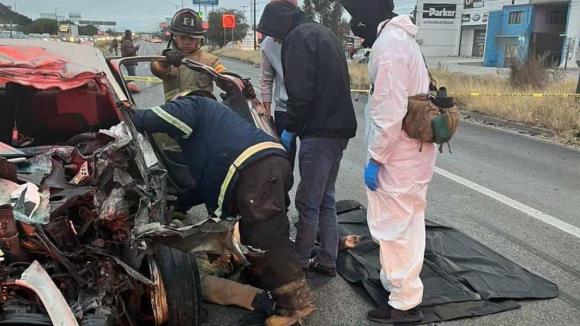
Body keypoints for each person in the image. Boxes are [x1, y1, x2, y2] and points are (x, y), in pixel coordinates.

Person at [125, 94, 315, 325]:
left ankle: (294, 308)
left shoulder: (192, 105)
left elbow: (159, 118)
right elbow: (199, 187)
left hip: (255, 170)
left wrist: (131, 116)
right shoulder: (211, 132)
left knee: (269, 239)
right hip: (269, 165)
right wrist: (179, 206)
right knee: (258, 234)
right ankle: (270, 284)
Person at [342, 0, 437, 324]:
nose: (355, 25)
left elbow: (389, 112)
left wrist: (377, 159)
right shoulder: (400, 39)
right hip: (412, 153)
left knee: (395, 227)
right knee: (407, 223)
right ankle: (399, 285)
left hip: (399, 156)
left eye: (356, 17)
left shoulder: (389, 46)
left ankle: (404, 304)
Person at [258, 1, 357, 277]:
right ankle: (327, 258)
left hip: (319, 131)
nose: (274, 39)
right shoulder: (322, 32)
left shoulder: (297, 39)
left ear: (281, 24)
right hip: (339, 129)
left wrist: (290, 128)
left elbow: (299, 94)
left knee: (307, 201)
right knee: (326, 197)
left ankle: (299, 259)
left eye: (273, 32)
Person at [151, 8, 228, 102]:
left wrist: (237, 84)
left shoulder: (210, 60)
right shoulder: (165, 58)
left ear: (199, 39)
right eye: (182, 38)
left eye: (191, 38)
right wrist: (165, 61)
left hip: (203, 112)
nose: (187, 42)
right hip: (173, 112)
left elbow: (223, 75)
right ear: (174, 37)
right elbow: (156, 68)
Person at [259, 0, 296, 135]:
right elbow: (266, 79)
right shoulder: (268, 45)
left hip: (307, 109)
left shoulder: (304, 38)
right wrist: (268, 116)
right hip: (283, 109)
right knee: (284, 153)